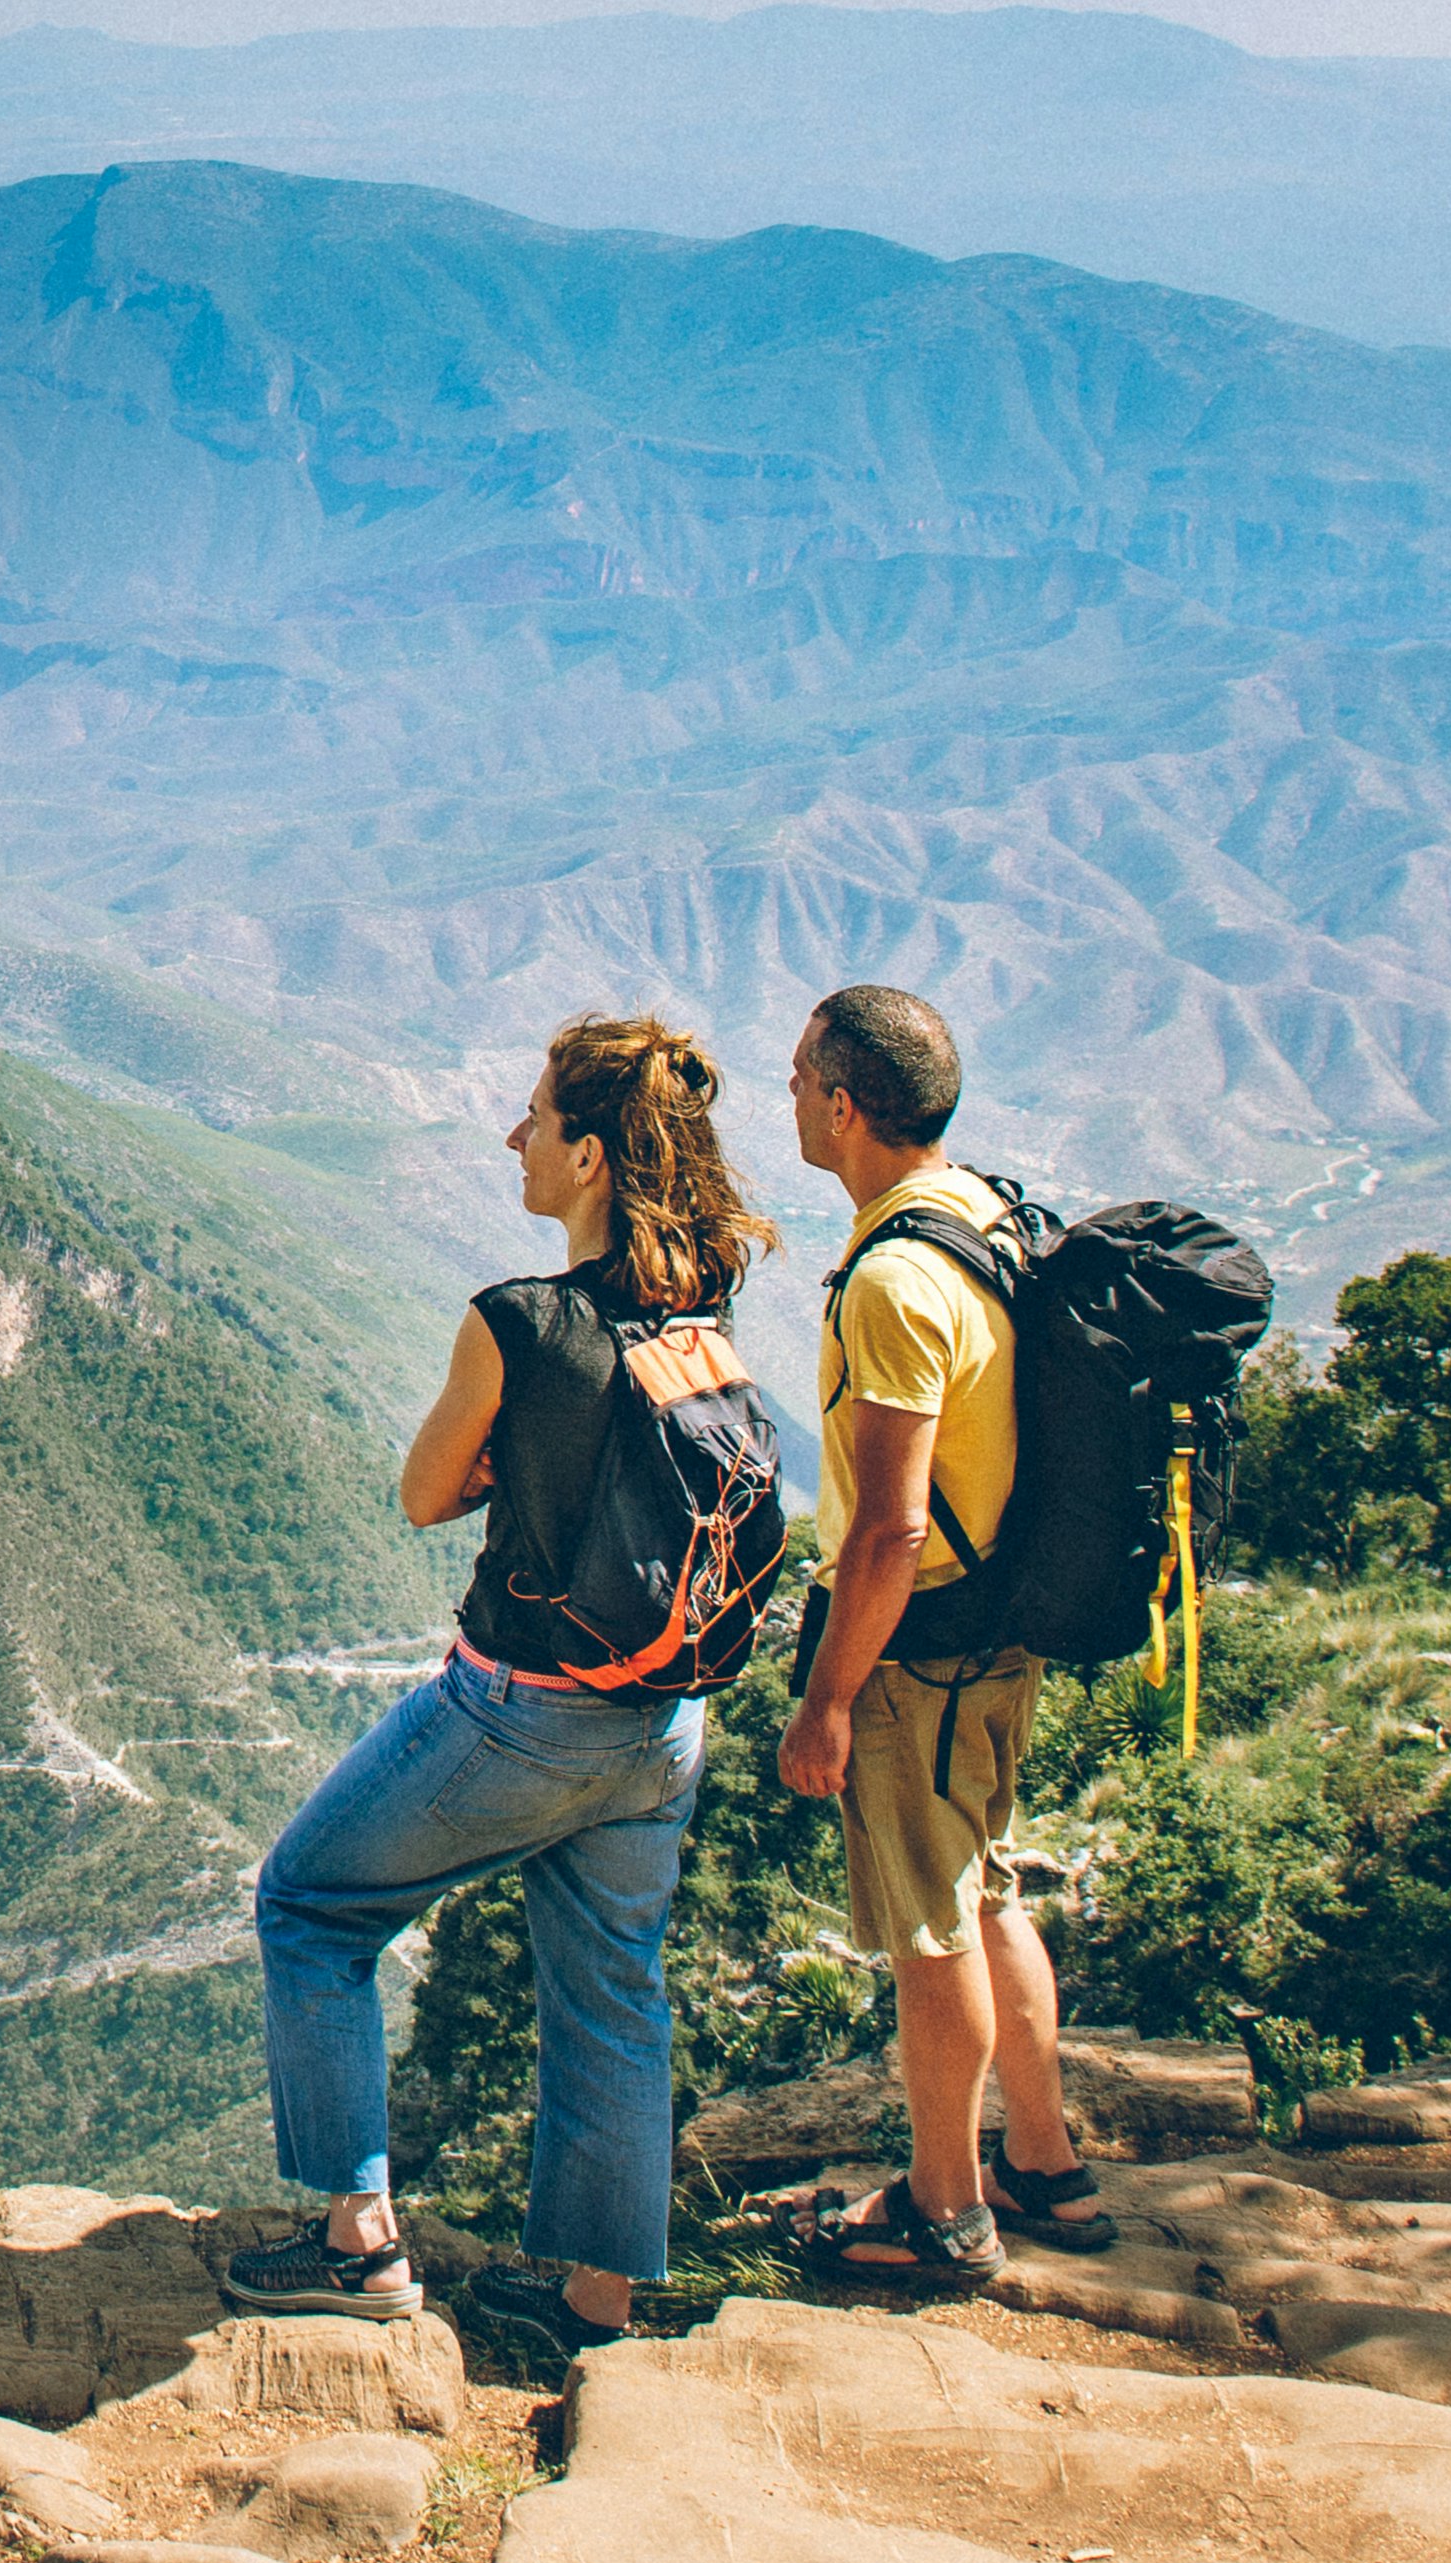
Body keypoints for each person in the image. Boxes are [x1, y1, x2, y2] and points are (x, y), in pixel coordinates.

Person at [224, 1014, 780, 2355]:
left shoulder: (516, 1322)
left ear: (586, 1157)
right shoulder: (696, 1312)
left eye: (535, 1117)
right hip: (662, 1723)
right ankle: (591, 2303)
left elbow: (424, 1490)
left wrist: (493, 1460)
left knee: (308, 1903)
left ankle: (357, 2248)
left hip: (519, 1712)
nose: (514, 1136)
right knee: (610, 1987)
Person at [767, 982, 1110, 2288]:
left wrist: (828, 1699)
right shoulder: (984, 1215)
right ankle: (1043, 2162)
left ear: (845, 1104)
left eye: (801, 1076)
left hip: (917, 1650)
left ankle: (942, 2207)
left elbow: (886, 1533)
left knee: (929, 1928)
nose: (789, 1094)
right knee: (987, 1888)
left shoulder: (894, 1281)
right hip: (1001, 1635)